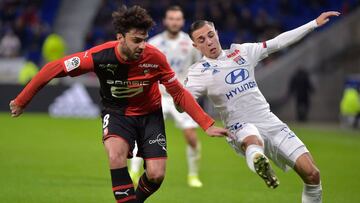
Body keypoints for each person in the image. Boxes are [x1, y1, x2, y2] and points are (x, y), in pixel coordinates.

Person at [9, 5, 229, 203]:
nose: (142, 45)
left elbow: (179, 93)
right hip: (117, 114)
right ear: (120, 37)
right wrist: (22, 100)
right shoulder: (99, 56)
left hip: (150, 115)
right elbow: (54, 68)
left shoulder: (155, 58)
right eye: (136, 40)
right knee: (115, 154)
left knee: (156, 175)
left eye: (144, 39)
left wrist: (206, 123)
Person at [185, 11, 340, 203]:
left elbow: (278, 42)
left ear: (216, 32)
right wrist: (181, 103)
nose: (208, 41)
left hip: (269, 120)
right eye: (201, 39)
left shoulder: (242, 52)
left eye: (210, 35)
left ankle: (261, 161)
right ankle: (260, 162)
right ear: (195, 45)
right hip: (238, 126)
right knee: (252, 140)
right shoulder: (198, 72)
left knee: (312, 174)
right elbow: (183, 103)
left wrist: (314, 23)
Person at [129, 5, 204, 188]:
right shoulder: (153, 43)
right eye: (171, 18)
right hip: (157, 96)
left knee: (191, 137)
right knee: (145, 135)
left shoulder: (191, 44)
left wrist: (194, 91)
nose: (174, 22)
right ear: (165, 21)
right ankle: (133, 171)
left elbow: (199, 68)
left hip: (180, 96)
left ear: (183, 21)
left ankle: (193, 175)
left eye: (178, 19)